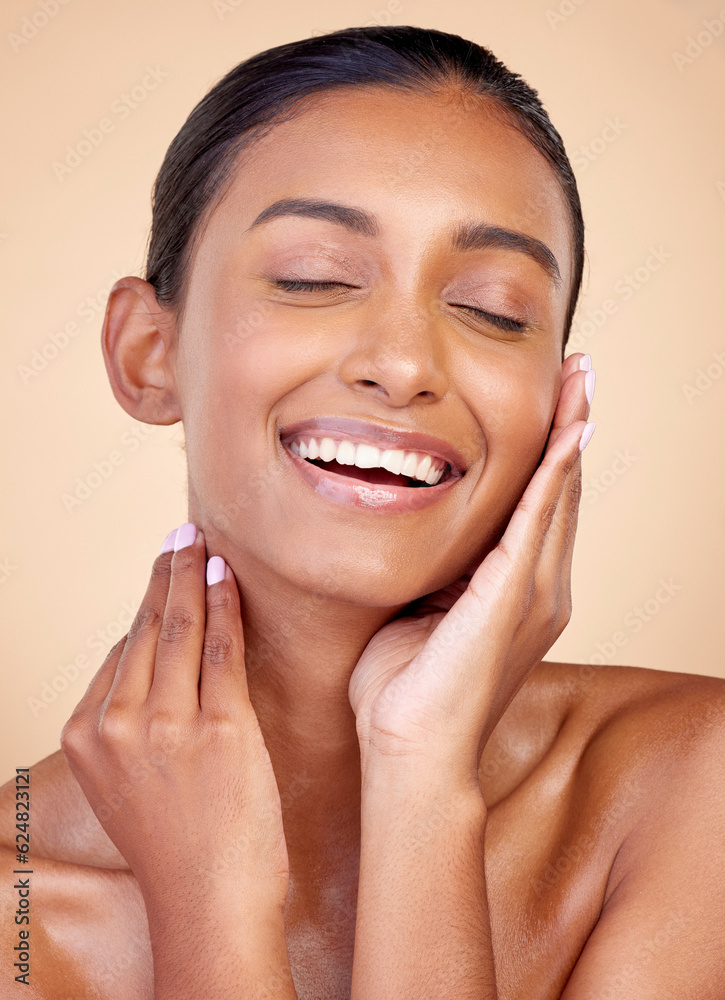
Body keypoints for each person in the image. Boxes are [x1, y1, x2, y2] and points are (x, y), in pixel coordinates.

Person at [2, 24, 724, 1000]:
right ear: (148, 353)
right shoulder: (19, 915)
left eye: (493, 309)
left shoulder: (695, 786)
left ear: (556, 399)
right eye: (315, 278)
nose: (404, 362)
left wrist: (421, 771)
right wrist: (211, 906)